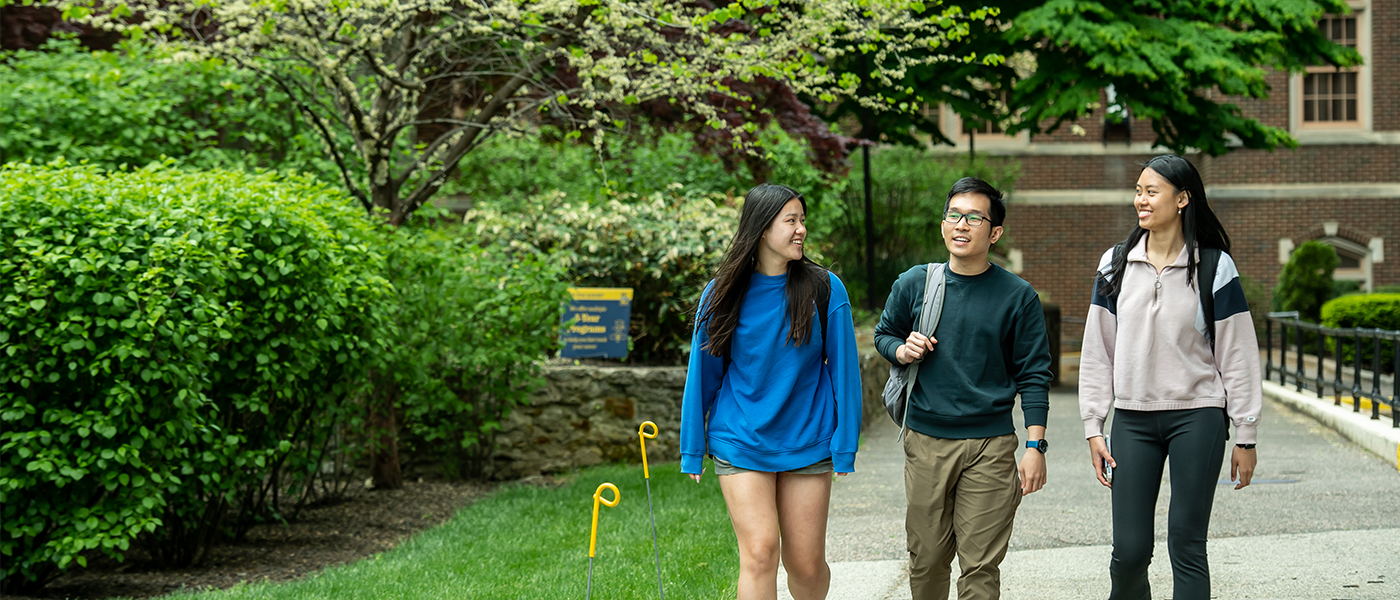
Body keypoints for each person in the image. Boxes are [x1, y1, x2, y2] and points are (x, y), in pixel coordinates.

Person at [1079, 154, 1262, 600]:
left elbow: (1237, 353)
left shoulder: (1215, 267)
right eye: (1138, 190)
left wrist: (1246, 435)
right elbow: (1097, 351)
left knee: (1186, 543)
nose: (1140, 200)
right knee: (1129, 551)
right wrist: (1093, 427)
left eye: (1151, 191)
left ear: (1182, 199)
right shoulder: (1115, 264)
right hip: (1133, 419)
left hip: (1197, 417)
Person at [679, 183, 862, 600]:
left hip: (807, 437)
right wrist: (692, 446)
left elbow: (845, 375)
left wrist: (844, 445)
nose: (801, 230)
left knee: (805, 563)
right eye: (790, 221)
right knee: (760, 553)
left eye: (802, 221)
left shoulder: (825, 289)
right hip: (740, 436)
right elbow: (702, 373)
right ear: (762, 229)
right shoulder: (723, 292)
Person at [874, 177, 1052, 600]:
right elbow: (884, 334)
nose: (961, 224)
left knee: (980, 567)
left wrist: (1034, 446)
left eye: (974, 217)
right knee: (928, 558)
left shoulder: (1018, 297)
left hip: (990, 446)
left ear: (994, 233)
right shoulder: (915, 284)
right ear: (943, 225)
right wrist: (902, 349)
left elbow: (1034, 373)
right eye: (954, 215)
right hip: (926, 441)